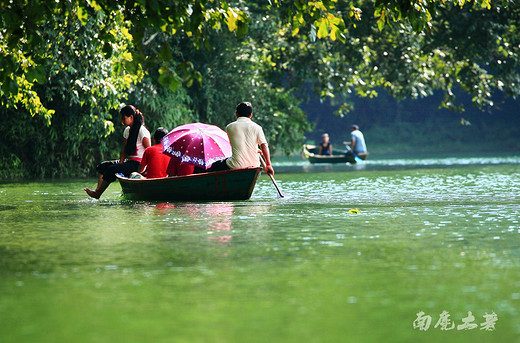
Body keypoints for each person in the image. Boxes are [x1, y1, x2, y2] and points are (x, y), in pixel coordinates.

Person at [84, 105, 151, 198]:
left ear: (131, 117)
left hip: (138, 164)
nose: (122, 122)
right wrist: (120, 163)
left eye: (124, 119)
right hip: (129, 162)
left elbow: (149, 151)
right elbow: (123, 150)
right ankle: (97, 191)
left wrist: (144, 169)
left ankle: (98, 194)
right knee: (102, 166)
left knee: (112, 169)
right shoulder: (127, 130)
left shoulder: (142, 131)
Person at [206, 102, 274, 175]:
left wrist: (255, 149)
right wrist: (268, 165)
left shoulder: (229, 127)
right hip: (255, 165)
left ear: (236, 114)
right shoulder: (257, 127)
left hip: (235, 165)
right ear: (250, 115)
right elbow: (264, 146)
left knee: (214, 165)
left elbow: (238, 143)